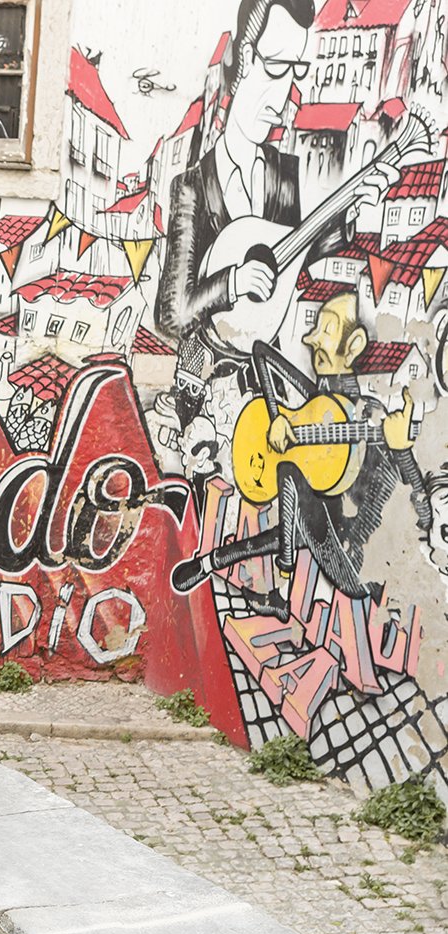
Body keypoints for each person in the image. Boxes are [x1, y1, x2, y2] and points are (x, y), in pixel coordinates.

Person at [155, 0, 392, 426]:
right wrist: (233, 281)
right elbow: (172, 313)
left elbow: (292, 250)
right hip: (205, 392)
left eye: (296, 72)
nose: (284, 97)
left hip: (269, 388)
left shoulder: (284, 174)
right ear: (243, 62)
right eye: (276, 68)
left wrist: (350, 215)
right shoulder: (193, 187)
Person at [170, 292, 430, 609]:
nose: (312, 338)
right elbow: (261, 352)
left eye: (328, 329)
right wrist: (277, 418)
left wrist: (401, 450)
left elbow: (425, 514)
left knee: (290, 474)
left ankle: (280, 593)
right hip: (319, 533)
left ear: (354, 346)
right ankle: (209, 564)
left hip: (354, 564)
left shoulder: (371, 417)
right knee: (296, 501)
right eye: (315, 327)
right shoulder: (321, 402)